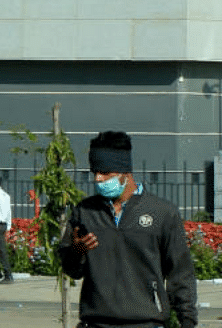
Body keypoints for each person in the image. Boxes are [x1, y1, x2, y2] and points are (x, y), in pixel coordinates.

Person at [58, 131, 197, 328]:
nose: (98, 178)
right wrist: (76, 252)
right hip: (96, 322)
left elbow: (180, 273)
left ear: (126, 172)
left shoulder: (162, 213)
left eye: (106, 173)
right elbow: (72, 270)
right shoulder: (85, 212)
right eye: (95, 172)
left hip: (146, 323)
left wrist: (187, 320)